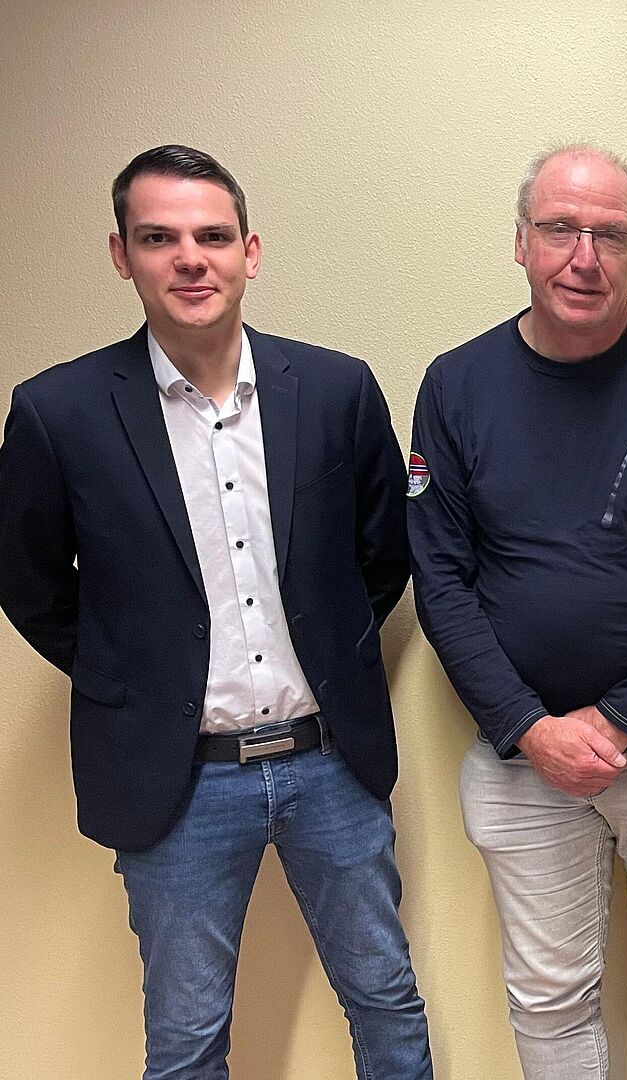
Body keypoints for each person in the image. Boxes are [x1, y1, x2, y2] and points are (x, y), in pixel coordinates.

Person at [0, 144, 430, 1079]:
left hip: (330, 761)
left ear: (250, 251)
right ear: (122, 255)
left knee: (386, 1000)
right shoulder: (58, 412)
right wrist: (130, 672)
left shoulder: (337, 389)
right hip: (179, 780)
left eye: (213, 236)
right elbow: (28, 581)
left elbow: (383, 552)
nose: (190, 258)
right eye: (160, 238)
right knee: (188, 1038)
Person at [408, 144, 627, 1080]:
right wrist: (531, 728)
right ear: (520, 242)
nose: (584, 257)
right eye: (561, 229)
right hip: (520, 758)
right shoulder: (455, 385)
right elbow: (439, 576)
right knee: (548, 994)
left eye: (612, 235)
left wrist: (620, 718)